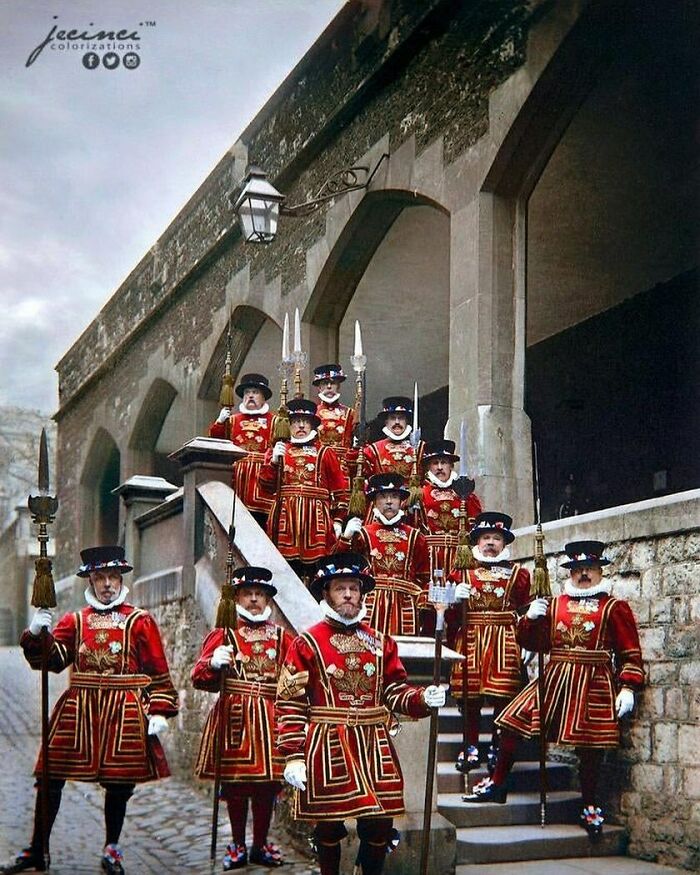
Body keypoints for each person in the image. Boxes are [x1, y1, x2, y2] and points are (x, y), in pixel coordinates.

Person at [6, 546, 178, 875]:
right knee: (49, 774)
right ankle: (37, 849)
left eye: (113, 577)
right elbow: (52, 662)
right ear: (92, 581)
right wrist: (37, 633)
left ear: (121, 579)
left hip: (123, 708)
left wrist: (159, 710)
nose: (108, 584)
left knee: (118, 782)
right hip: (79, 706)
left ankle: (111, 848)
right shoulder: (76, 620)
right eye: (101, 578)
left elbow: (158, 670)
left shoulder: (139, 621)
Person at [275, 553, 445, 875]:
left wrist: (423, 698)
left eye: (354, 588)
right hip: (327, 742)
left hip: (373, 743)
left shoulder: (381, 642)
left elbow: (394, 692)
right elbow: (290, 701)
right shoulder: (306, 642)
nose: (349, 595)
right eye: (341, 589)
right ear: (326, 593)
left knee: (379, 824)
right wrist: (293, 755)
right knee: (327, 827)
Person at [466, 540, 644, 839]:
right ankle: (498, 782)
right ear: (570, 572)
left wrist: (627, 687)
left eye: (589, 568)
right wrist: (530, 619)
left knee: (590, 746)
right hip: (555, 676)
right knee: (513, 720)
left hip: (594, 680)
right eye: (577, 569)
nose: (583, 574)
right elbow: (535, 643)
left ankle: (589, 804)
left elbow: (630, 654)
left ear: (600, 571)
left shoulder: (614, 608)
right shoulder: (556, 604)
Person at [191, 566, 294, 870]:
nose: (253, 600)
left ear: (267, 600)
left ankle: (260, 844)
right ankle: (237, 844)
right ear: (236, 598)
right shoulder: (224, 634)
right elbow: (198, 676)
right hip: (234, 718)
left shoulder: (282, 637)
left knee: (266, 785)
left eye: (259, 594)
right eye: (247, 594)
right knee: (236, 785)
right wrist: (213, 662)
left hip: (270, 718)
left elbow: (296, 677)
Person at [448, 512, 531, 774]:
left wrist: (527, 639)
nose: (491, 543)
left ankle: (497, 745)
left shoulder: (519, 574)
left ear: (504, 543)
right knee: (469, 696)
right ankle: (471, 746)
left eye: (497, 538)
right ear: (477, 541)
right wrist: (453, 599)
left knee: (502, 695)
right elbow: (449, 617)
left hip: (505, 636)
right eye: (486, 538)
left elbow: (526, 609)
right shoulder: (461, 573)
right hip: (471, 636)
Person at [259, 398, 349, 580]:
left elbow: (341, 490)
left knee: (317, 569)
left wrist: (338, 520)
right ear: (288, 425)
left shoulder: (325, 452)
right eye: (296, 422)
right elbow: (266, 486)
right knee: (284, 568)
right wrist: (274, 462)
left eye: (305, 422)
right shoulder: (277, 451)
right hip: (285, 516)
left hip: (316, 518)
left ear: (312, 425)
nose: (301, 426)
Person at [337, 474, 430, 636]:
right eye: (383, 497)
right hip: (370, 604)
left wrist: (420, 600)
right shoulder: (362, 533)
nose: (389, 501)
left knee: (403, 654)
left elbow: (425, 576)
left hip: (405, 606)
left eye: (394, 496)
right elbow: (341, 566)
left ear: (401, 502)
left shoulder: (416, 537)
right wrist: (345, 537)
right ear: (374, 501)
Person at [209, 373, 278, 527]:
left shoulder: (274, 421)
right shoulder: (232, 420)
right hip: (237, 478)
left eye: (255, 392)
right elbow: (216, 442)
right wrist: (219, 422)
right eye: (247, 392)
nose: (250, 396)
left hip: (261, 480)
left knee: (260, 523)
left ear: (263, 397)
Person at [415, 439, 483, 578]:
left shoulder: (465, 493)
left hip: (460, 554)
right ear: (429, 467)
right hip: (430, 555)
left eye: (444, 462)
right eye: (435, 463)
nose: (440, 467)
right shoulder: (420, 494)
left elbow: (476, 527)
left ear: (451, 466)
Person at [362, 397, 424, 480]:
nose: (397, 422)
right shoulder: (372, 450)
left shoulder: (421, 448)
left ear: (407, 421)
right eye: (392, 418)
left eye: (401, 418)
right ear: (386, 422)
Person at [312, 364, 356, 477]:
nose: (329, 387)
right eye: (324, 383)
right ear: (319, 387)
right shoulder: (312, 413)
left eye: (333, 383)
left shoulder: (350, 413)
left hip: (343, 467)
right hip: (319, 464)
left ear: (338, 386)